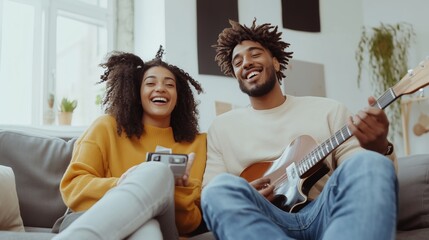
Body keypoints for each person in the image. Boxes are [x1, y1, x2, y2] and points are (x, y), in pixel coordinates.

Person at [201, 19, 398, 240]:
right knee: (218, 188)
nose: (246, 63)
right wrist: (248, 195)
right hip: (263, 220)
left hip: (324, 212)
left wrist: (379, 147)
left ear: (276, 62)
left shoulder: (329, 110)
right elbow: (210, 191)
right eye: (237, 62)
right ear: (235, 74)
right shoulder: (221, 127)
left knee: (369, 163)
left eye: (255, 54)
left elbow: (359, 173)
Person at [53, 47, 206, 240]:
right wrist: (123, 184)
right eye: (150, 83)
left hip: (167, 227)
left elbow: (190, 224)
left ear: (179, 97)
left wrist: (177, 190)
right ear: (136, 92)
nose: (160, 88)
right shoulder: (106, 127)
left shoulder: (197, 144)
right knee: (147, 224)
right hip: (93, 217)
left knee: (158, 176)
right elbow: (73, 187)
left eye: (170, 85)